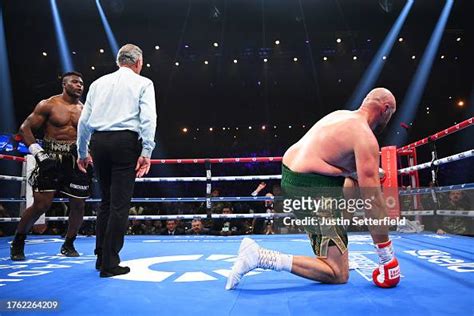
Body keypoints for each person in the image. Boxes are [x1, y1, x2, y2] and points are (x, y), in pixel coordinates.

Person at [226, 87, 400, 289]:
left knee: (351, 185)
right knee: (338, 273)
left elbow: (342, 168)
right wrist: (386, 255)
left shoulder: (341, 116)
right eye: (391, 115)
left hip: (294, 175)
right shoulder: (365, 137)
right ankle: (260, 256)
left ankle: (337, 251)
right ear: (385, 109)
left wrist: (362, 172)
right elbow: (373, 201)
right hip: (311, 187)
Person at [76, 44, 157, 278]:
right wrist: (147, 151)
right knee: (119, 204)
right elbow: (149, 118)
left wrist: (82, 151)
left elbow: (84, 121)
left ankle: (101, 256)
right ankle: (110, 263)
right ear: (138, 63)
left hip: (98, 143)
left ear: (118, 61)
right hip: (124, 142)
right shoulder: (143, 83)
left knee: (106, 201)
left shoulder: (98, 83)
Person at [10, 72, 91, 261]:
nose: (79, 85)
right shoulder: (49, 104)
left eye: (81, 83)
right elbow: (25, 128)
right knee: (41, 205)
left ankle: (69, 243)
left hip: (74, 160)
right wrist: (38, 153)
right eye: (75, 82)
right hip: (51, 158)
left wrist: (88, 153)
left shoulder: (85, 109)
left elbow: (89, 134)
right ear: (64, 84)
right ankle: (18, 241)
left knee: (78, 205)